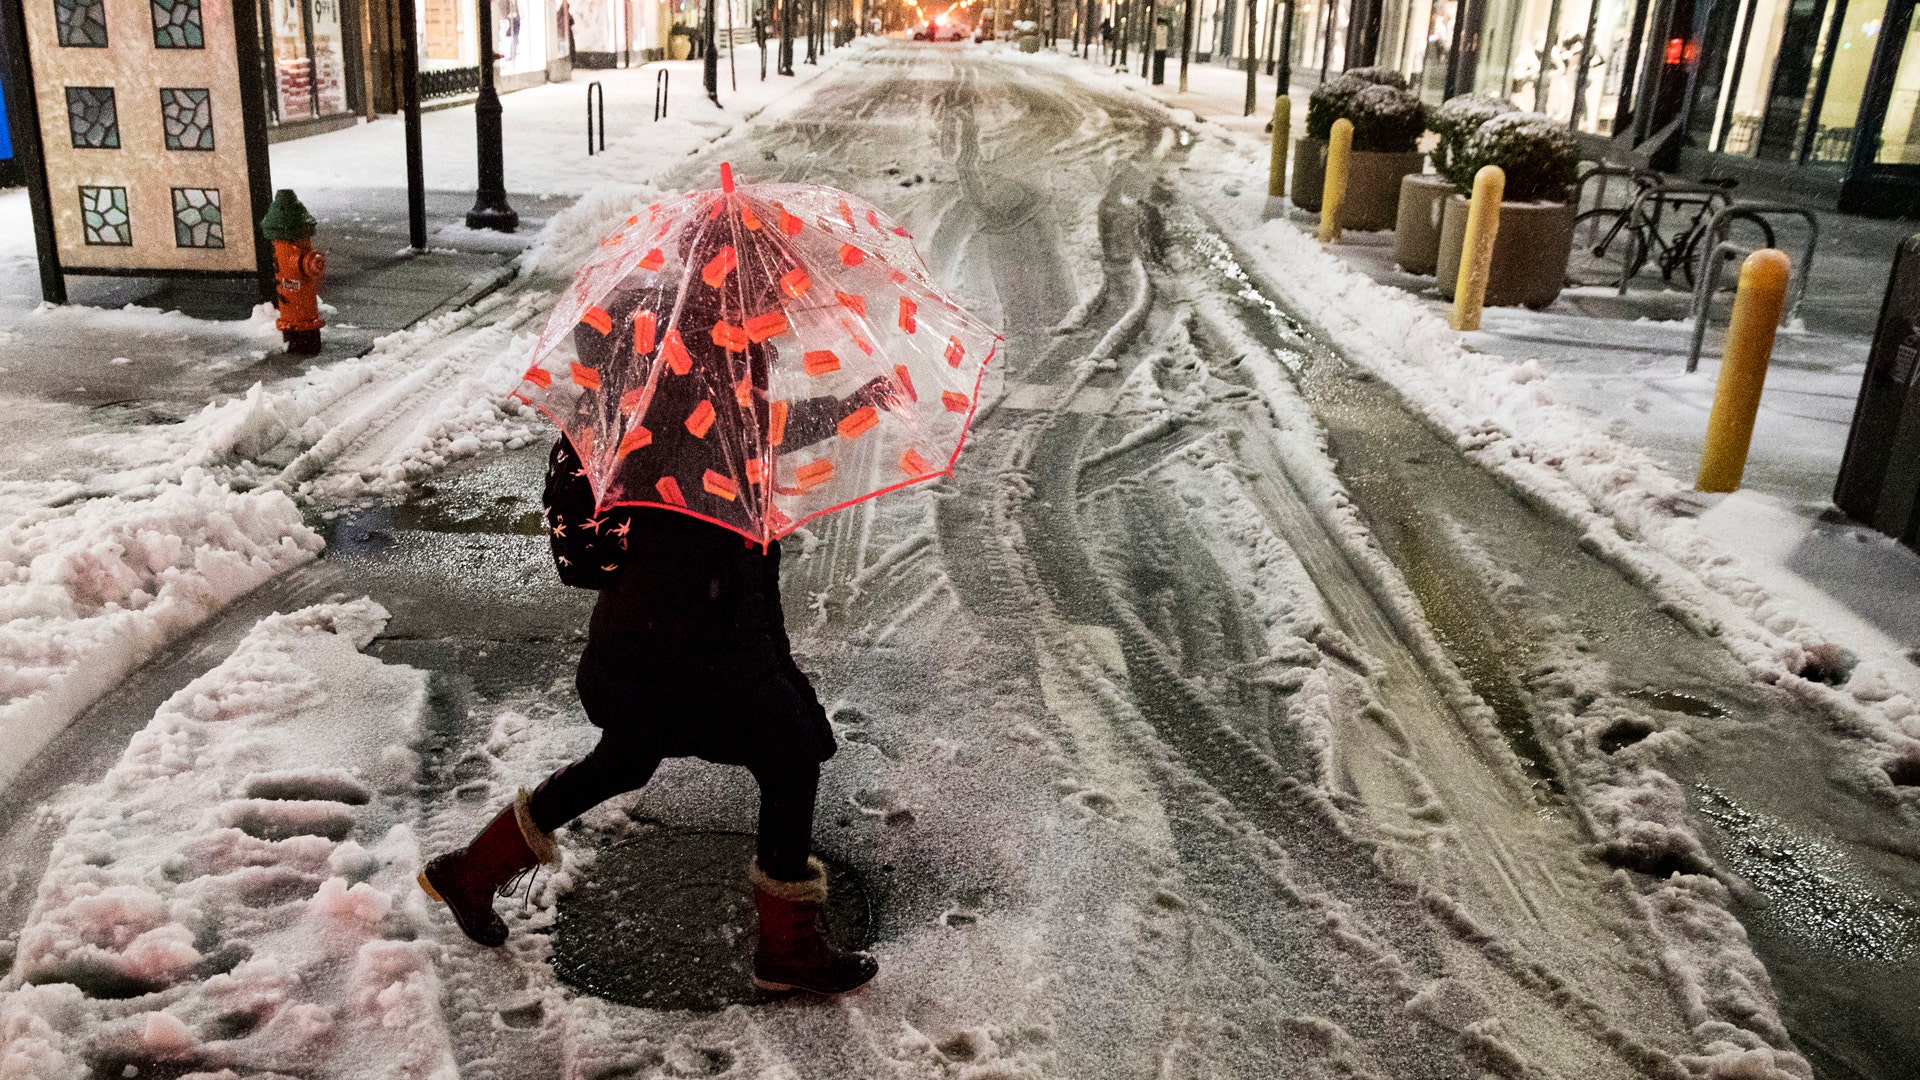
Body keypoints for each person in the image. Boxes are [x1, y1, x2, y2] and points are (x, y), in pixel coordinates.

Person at [418, 205, 888, 996]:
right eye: (775, 272)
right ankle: (787, 951)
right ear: (736, 269)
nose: (788, 289)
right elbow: (721, 444)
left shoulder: (699, 341)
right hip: (692, 626)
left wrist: (843, 407)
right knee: (790, 755)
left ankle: (471, 872)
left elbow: (749, 434)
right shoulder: (689, 352)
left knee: (626, 757)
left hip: (657, 622)